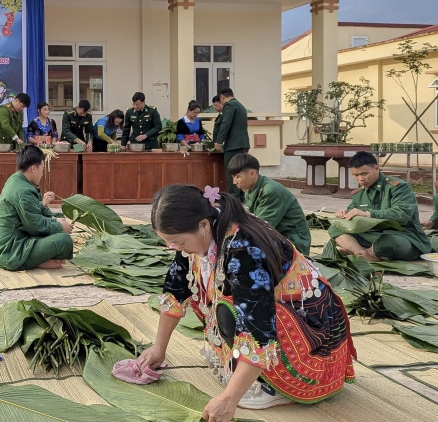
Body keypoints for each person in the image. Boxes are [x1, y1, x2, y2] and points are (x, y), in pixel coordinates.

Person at [139, 184, 356, 419]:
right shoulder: (207, 228)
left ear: (202, 225)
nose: (176, 248)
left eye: (178, 242)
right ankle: (250, 372)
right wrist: (159, 348)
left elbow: (258, 327)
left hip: (313, 330)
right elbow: (175, 290)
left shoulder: (244, 249)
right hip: (277, 314)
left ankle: (275, 384)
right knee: (209, 296)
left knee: (228, 310)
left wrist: (229, 399)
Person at [329, 151, 431, 262]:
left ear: (376, 168)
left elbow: (402, 214)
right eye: (356, 175)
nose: (360, 179)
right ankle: (361, 252)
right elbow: (353, 214)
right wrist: (344, 215)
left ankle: (368, 253)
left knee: (388, 241)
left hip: (404, 236)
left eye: (364, 174)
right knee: (335, 228)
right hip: (372, 235)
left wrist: (368, 214)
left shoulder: (398, 187)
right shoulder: (359, 193)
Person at [0, 145, 74, 271]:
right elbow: (36, 226)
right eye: (42, 168)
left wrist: (56, 219)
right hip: (11, 251)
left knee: (59, 220)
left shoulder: (16, 180)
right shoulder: (23, 191)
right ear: (34, 168)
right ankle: (33, 261)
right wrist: (59, 226)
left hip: (16, 240)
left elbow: (36, 211)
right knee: (64, 240)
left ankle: (42, 258)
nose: (42, 173)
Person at [228, 153, 311, 255]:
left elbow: (261, 226)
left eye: (238, 177)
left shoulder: (270, 191)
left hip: (293, 241)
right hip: (276, 235)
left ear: (252, 174)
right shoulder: (250, 189)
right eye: (233, 177)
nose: (234, 182)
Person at [214, 89, 250, 200]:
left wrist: (219, 140)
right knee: (242, 170)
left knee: (232, 170)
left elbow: (226, 123)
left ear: (222, 97)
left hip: (233, 144)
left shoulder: (229, 105)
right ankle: (243, 195)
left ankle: (234, 197)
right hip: (243, 143)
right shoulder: (241, 106)